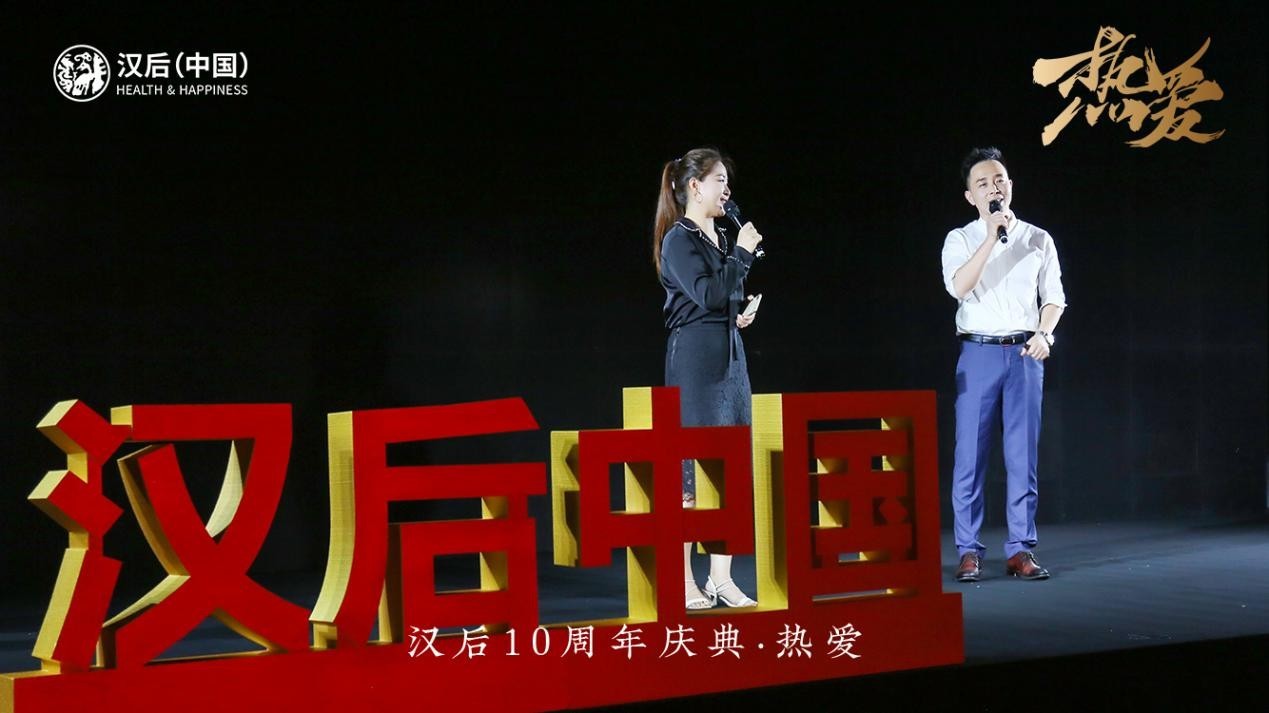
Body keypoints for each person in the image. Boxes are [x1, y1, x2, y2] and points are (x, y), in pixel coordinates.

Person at [940, 146, 1066, 582]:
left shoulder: (1038, 238)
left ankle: (1020, 549)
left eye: (999, 180)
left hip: (1025, 355)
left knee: (1022, 455)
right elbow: (959, 287)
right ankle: (969, 550)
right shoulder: (960, 239)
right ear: (970, 196)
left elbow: (1054, 298)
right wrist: (992, 237)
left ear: (1010, 185)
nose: (993, 188)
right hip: (978, 354)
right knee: (970, 457)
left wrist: (1045, 334)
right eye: (983, 183)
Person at [653, 147, 763, 609]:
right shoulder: (678, 239)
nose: (727, 190)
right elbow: (704, 295)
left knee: (730, 470)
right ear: (695, 187)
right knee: (691, 474)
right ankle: (682, 579)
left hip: (729, 357)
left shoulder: (719, 237)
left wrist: (739, 314)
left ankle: (722, 577)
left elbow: (723, 298)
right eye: (720, 180)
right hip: (695, 361)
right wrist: (742, 255)